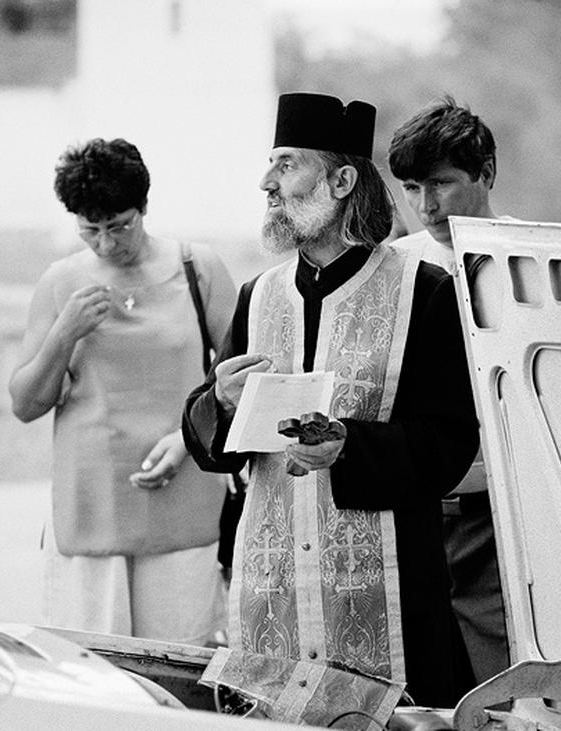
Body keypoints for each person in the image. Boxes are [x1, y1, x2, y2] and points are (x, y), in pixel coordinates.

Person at [182, 92, 480, 717]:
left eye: (287, 164)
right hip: (274, 593)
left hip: (391, 591)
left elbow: (451, 441)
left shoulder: (424, 291)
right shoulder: (257, 296)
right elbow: (209, 442)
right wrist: (221, 402)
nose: (267, 183)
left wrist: (349, 447)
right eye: (271, 164)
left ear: (342, 182)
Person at [9, 138, 237, 644]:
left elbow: (239, 379)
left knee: (180, 656)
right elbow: (25, 403)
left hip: (184, 492)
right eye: (90, 230)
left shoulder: (198, 269)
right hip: (92, 502)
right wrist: (64, 332)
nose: (107, 244)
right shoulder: (60, 281)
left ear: (144, 207)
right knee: (95, 662)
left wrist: (187, 438)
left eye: (119, 226)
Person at [388, 96, 511, 683]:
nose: (425, 206)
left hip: (504, 516)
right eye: (412, 188)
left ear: (485, 172)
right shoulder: (391, 268)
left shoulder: (533, 262)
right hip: (412, 514)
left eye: (440, 183)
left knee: (506, 687)